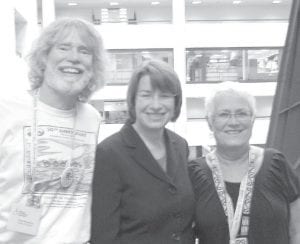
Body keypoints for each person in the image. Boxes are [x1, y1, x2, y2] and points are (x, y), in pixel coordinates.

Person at [0, 18, 106, 243]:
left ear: (93, 66)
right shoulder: (6, 110)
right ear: (44, 57)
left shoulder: (92, 119)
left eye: (84, 51)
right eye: (63, 47)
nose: (74, 57)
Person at [91, 59, 195, 244]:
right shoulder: (109, 154)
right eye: (146, 95)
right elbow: (103, 236)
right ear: (133, 100)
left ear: (175, 101)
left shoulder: (180, 146)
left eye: (164, 96)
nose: (155, 105)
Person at [188, 81, 300, 244]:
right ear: (209, 122)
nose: (233, 122)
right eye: (224, 114)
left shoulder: (277, 164)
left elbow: (297, 229)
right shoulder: (193, 173)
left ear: (253, 119)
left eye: (241, 113)